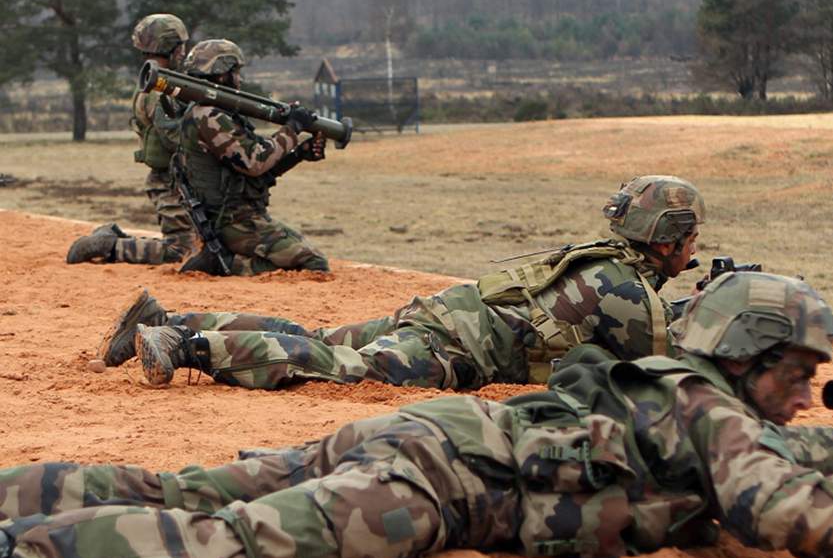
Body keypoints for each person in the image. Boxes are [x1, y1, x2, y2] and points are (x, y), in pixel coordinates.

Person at [0, 272, 833, 558]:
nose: (808, 394)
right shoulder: (716, 408)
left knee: (192, 490)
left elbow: (763, 466)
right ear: (748, 353)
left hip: (417, 433)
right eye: (798, 371)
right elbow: (777, 509)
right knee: (235, 542)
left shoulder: (683, 394)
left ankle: (18, 495)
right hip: (432, 483)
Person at [98, 175, 706, 390]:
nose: (695, 248)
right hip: (452, 349)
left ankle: (167, 319)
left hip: (445, 313)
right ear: (668, 235)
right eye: (692, 236)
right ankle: (188, 347)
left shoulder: (602, 262)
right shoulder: (630, 293)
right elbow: (665, 370)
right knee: (333, 364)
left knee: (319, 336)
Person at [169, 38, 330, 276]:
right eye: (236, 72)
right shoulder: (209, 116)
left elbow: (256, 171)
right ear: (222, 74)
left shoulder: (213, 112)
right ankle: (232, 265)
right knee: (313, 261)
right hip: (233, 223)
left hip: (240, 218)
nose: (239, 79)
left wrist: (298, 154)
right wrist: (293, 129)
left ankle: (228, 260)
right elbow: (254, 162)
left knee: (302, 249)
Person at [66, 14, 197, 266]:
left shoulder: (157, 81)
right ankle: (110, 247)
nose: (184, 52)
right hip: (171, 183)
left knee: (197, 244)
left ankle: (112, 238)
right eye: (180, 46)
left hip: (175, 180)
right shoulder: (159, 90)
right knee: (183, 252)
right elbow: (175, 139)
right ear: (170, 47)